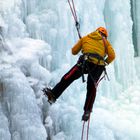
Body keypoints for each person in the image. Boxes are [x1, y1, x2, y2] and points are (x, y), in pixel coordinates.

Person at [43, 27, 115, 121]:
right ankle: (87, 111)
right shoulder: (106, 42)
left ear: (96, 32)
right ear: (105, 36)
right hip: (98, 66)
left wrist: (82, 45)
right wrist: (105, 62)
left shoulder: (86, 38)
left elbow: (73, 51)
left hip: (85, 63)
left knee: (68, 77)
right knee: (91, 88)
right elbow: (112, 56)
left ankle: (53, 95)